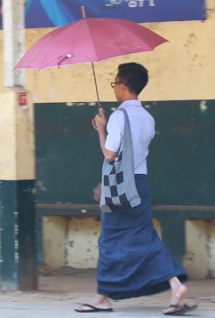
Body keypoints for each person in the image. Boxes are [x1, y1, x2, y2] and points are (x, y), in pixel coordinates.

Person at [79, 63, 197, 315]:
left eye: (114, 84)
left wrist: (102, 128)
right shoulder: (147, 117)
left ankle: (102, 297)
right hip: (139, 184)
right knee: (145, 236)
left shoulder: (120, 116)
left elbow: (111, 155)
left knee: (109, 239)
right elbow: (134, 156)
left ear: (123, 86)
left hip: (120, 186)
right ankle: (175, 286)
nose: (113, 89)